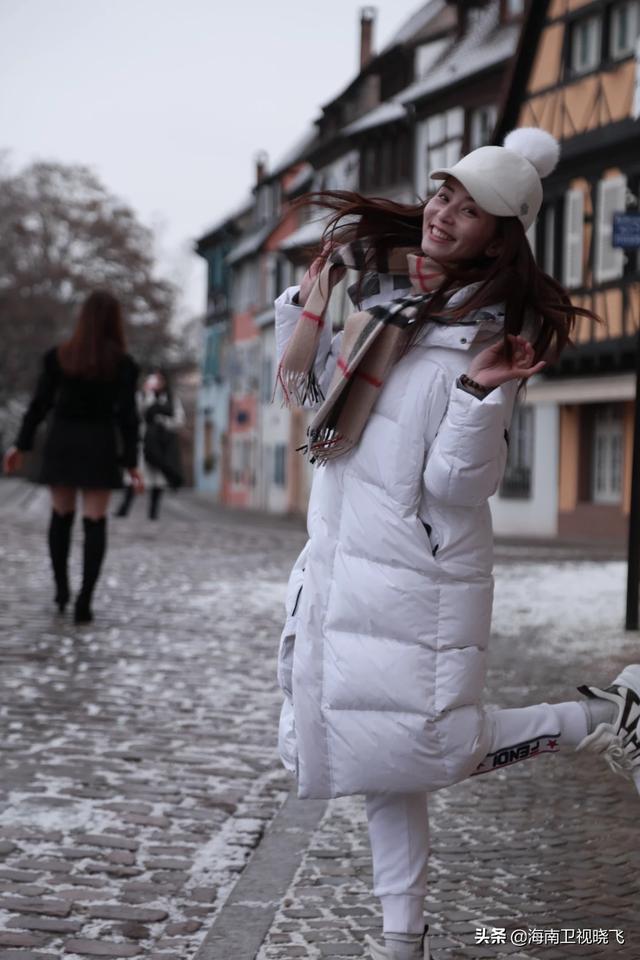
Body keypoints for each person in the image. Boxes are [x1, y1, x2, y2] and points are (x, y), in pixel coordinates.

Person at [273, 128, 640, 960]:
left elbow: (456, 488)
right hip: (341, 563)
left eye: (470, 212)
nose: (444, 215)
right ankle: (401, 942)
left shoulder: (486, 338)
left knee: (433, 746)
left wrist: (478, 396)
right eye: (445, 195)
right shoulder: (380, 303)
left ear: (496, 237)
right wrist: (309, 305)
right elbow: (302, 394)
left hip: (414, 575)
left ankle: (603, 715)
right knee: (379, 759)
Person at [3, 290, 143, 625]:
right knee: (95, 522)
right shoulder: (123, 365)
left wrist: (20, 446)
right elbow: (128, 417)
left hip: (62, 441)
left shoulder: (59, 357)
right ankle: (85, 600)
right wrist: (131, 462)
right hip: (99, 445)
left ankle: (62, 588)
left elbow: (39, 406)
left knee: (60, 517)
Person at [114, 371, 185, 520]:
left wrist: (163, 421)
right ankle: (124, 509)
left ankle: (153, 513)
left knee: (158, 480)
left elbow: (179, 420)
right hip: (144, 442)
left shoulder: (171, 398)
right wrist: (148, 398)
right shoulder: (141, 396)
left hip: (162, 444)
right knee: (135, 476)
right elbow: (135, 415)